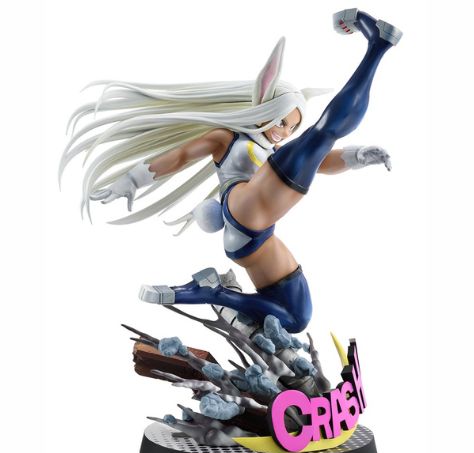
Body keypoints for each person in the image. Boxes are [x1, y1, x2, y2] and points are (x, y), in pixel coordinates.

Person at [61, 8, 402, 333]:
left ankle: (209, 292)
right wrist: (132, 180)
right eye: (280, 120)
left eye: (291, 128)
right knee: (323, 135)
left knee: (298, 318)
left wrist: (359, 157)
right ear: (264, 105)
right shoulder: (228, 138)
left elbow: (321, 162)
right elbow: (181, 155)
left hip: (252, 235)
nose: (283, 132)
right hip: (243, 206)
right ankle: (377, 46)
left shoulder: (275, 155)